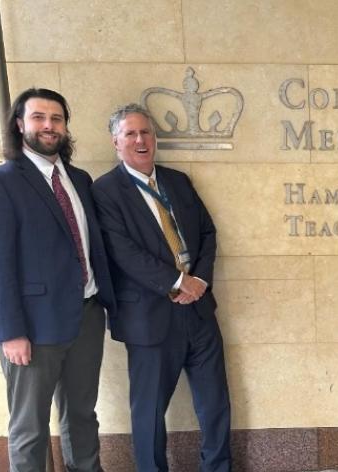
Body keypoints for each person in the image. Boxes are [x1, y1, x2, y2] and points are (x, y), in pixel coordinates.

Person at [0, 88, 116, 471]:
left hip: (86, 316)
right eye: (39, 117)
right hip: (33, 328)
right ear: (20, 125)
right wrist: (10, 332)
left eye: (57, 118)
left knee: (82, 416)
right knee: (30, 427)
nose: (49, 125)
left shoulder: (80, 180)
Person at [92, 103, 231, 472]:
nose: (141, 140)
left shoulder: (178, 181)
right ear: (116, 142)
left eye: (146, 132)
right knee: (149, 412)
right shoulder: (105, 191)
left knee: (215, 404)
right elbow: (122, 250)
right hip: (149, 318)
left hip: (199, 311)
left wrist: (199, 281)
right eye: (130, 134)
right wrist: (178, 281)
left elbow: (207, 232)